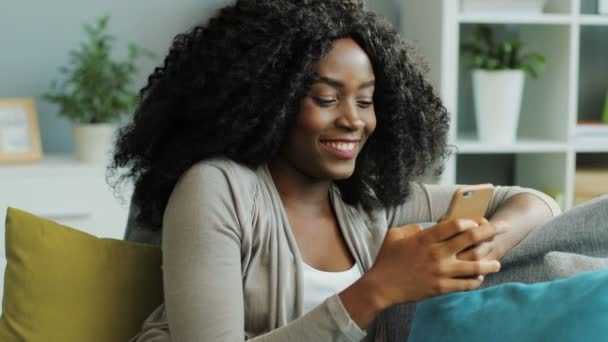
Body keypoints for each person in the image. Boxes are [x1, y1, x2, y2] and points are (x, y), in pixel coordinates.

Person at [110, 1, 561, 341]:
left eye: (365, 101)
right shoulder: (219, 188)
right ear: (269, 103)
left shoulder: (365, 200)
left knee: (579, 241)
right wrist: (377, 290)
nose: (353, 120)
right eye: (326, 99)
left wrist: (477, 246)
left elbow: (535, 203)